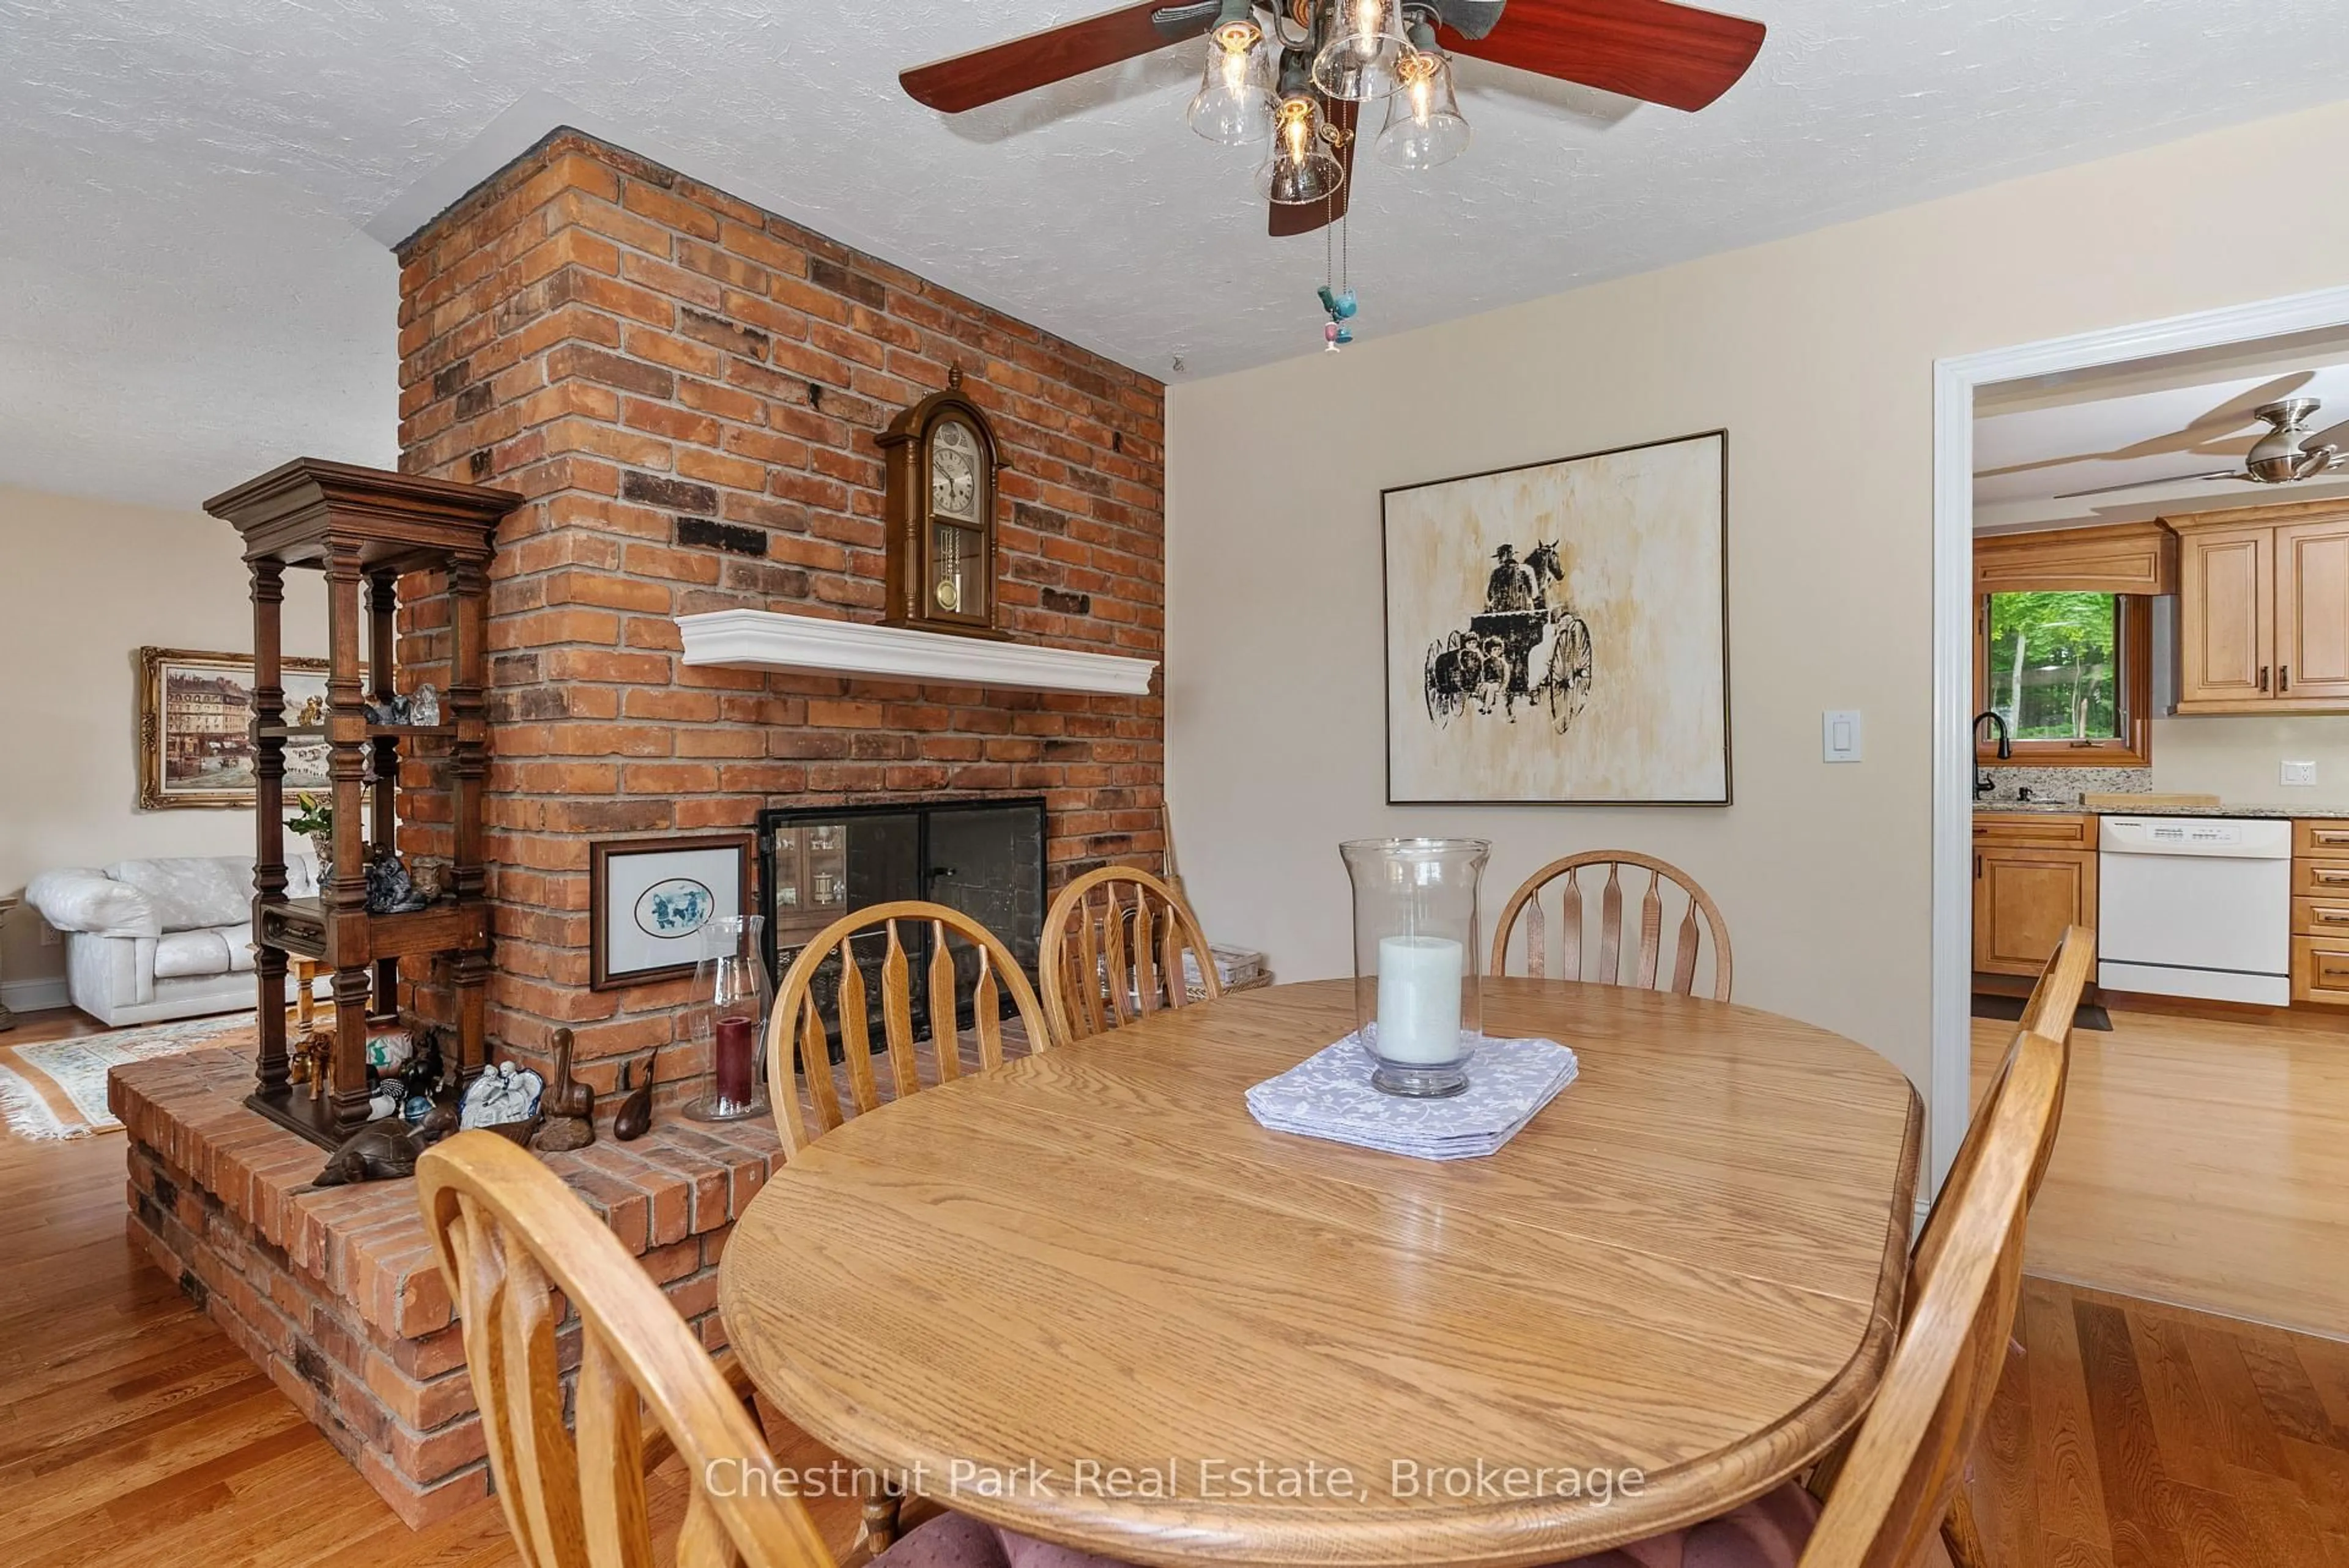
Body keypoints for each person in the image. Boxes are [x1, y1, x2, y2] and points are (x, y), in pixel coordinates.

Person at [1485, 544, 1535, 615]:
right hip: (1523, 611)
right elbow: (1532, 593)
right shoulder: (1525, 571)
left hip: (1502, 612)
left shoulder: (1497, 573)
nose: (1499, 560)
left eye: (1500, 557)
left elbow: (1490, 594)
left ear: (1504, 556)